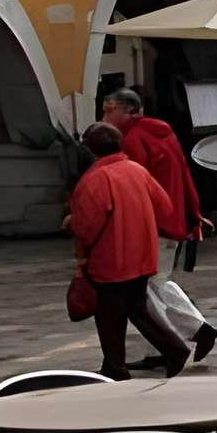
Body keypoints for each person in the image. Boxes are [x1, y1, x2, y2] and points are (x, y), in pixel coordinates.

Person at [101, 86, 216, 362]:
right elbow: (184, 174)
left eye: (109, 111)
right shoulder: (162, 132)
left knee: (144, 287)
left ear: (129, 110)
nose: (104, 117)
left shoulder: (133, 140)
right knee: (155, 283)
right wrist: (192, 212)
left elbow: (134, 187)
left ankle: (189, 335)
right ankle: (170, 344)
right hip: (170, 216)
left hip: (153, 222)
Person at [68, 124, 190, 380]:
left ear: (90, 149)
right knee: (137, 308)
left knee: (109, 316)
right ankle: (174, 350)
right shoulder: (136, 170)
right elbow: (164, 206)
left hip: (111, 259)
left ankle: (116, 366)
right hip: (142, 255)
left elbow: (87, 227)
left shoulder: (95, 179)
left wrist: (75, 231)